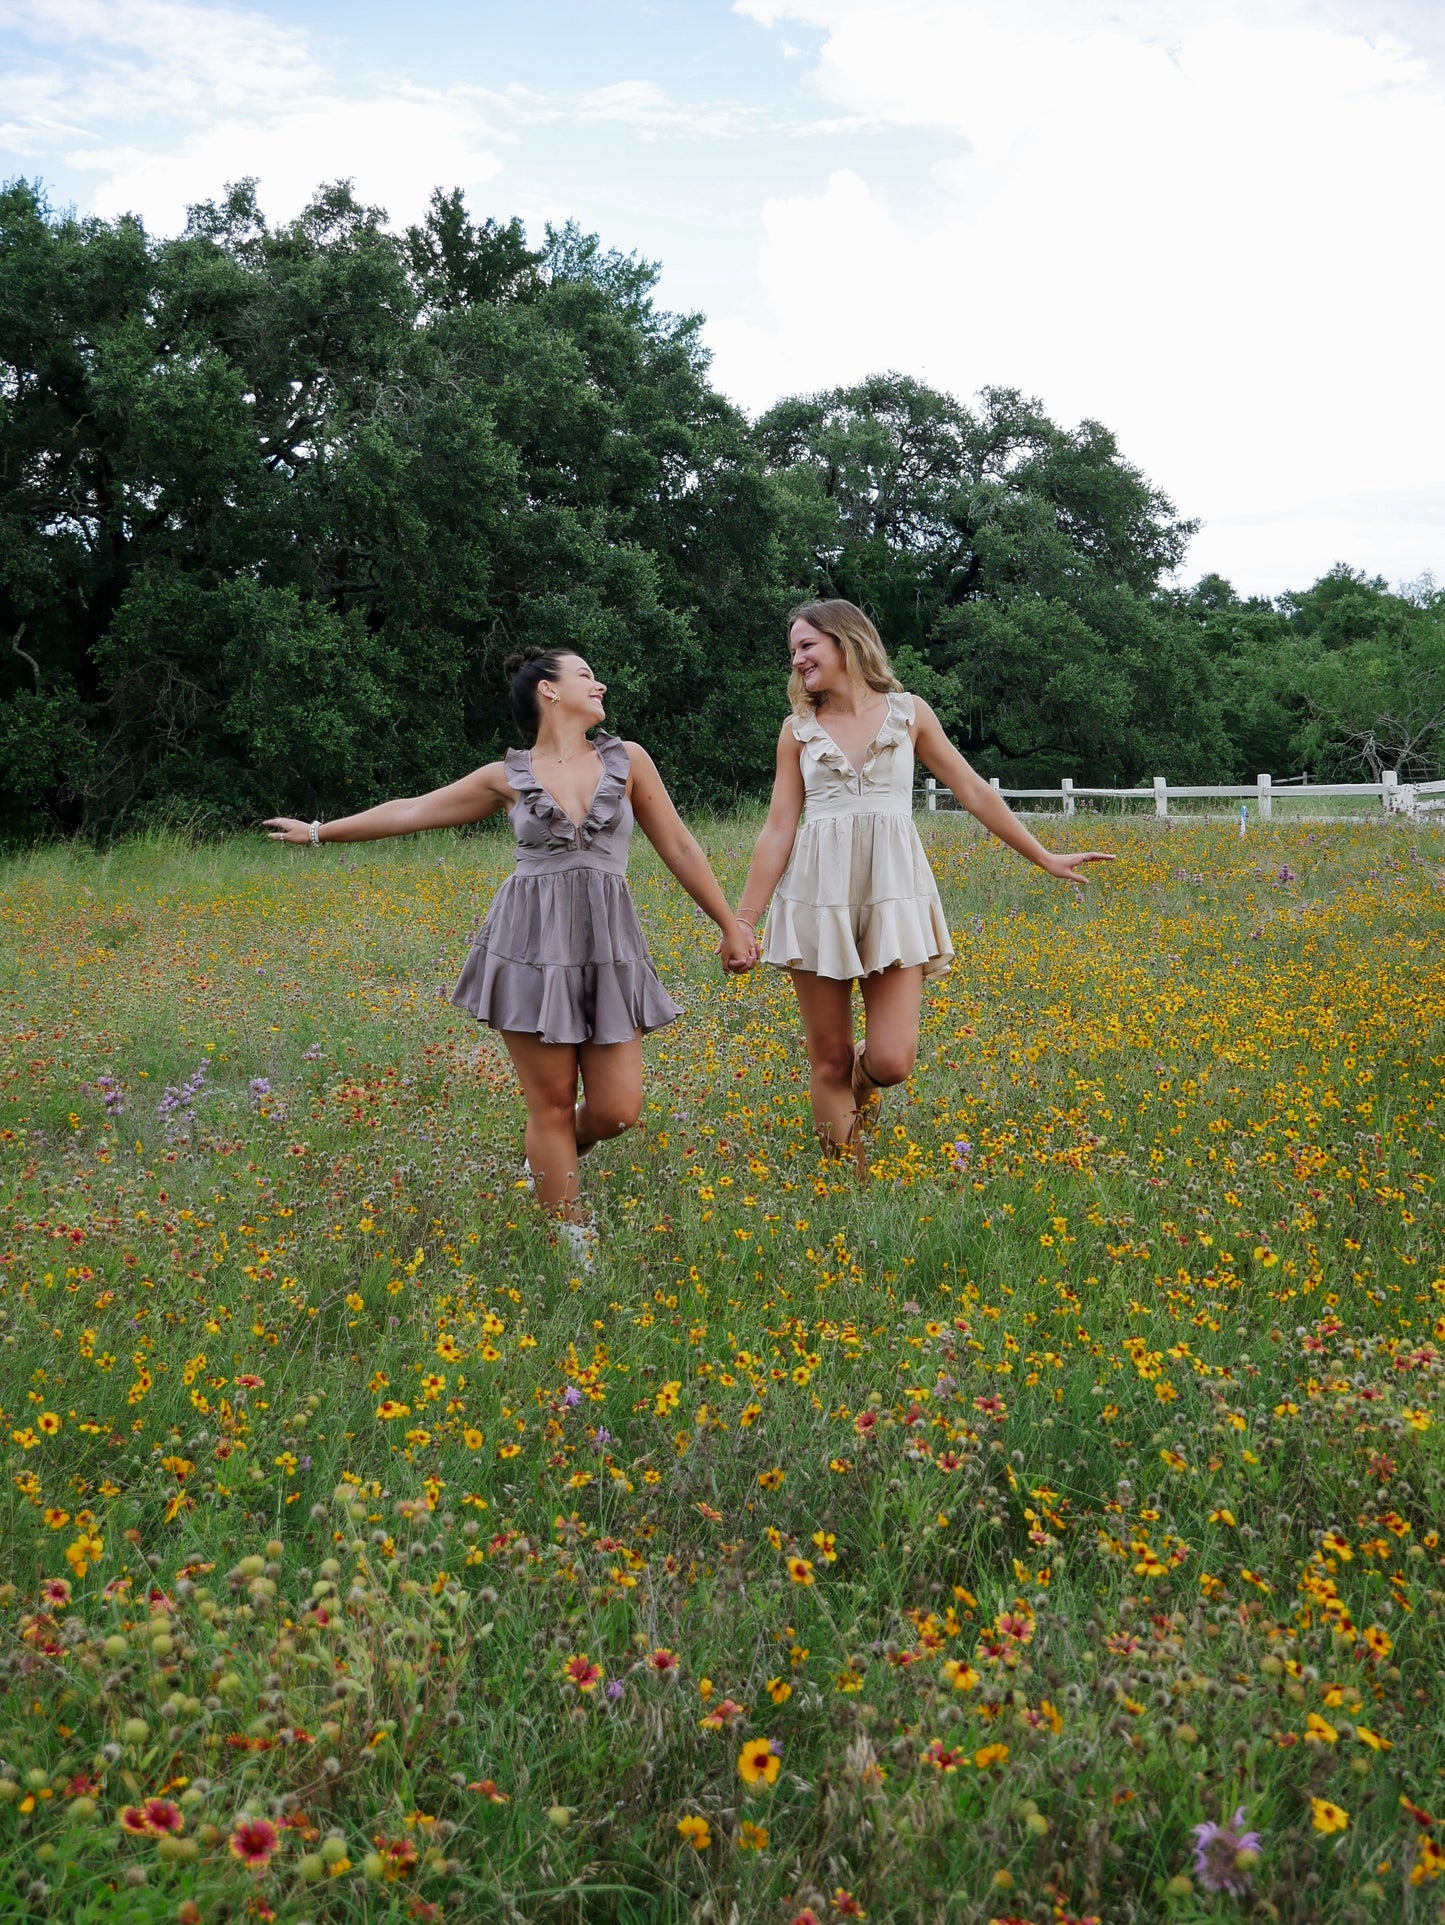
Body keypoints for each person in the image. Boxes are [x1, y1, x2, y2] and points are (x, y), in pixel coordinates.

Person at [265, 648, 755, 1265]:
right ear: (549, 691)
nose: (599, 682)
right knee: (548, 1103)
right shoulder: (506, 777)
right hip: (528, 946)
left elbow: (680, 845)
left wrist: (729, 923)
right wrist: (318, 831)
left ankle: (543, 1161)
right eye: (584, 675)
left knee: (617, 1109)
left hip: (607, 947)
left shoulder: (628, 761)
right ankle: (573, 1241)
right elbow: (413, 810)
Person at [733, 600, 1112, 1165]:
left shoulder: (908, 713)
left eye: (807, 644)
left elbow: (974, 790)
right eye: (793, 650)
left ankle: (861, 1091)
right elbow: (778, 828)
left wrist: (1043, 855)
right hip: (817, 897)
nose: (797, 658)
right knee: (828, 1059)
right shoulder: (797, 731)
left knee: (891, 1060)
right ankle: (845, 1185)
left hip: (893, 895)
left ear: (846, 641)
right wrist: (742, 921)